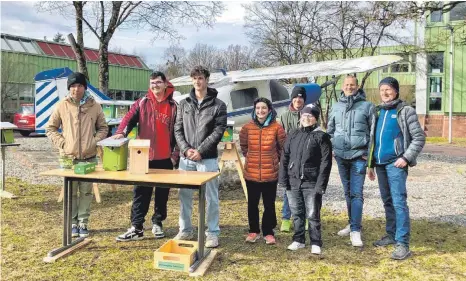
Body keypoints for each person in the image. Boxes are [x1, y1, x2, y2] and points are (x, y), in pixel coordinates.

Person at [114, 71, 179, 241]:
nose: (155, 86)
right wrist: (121, 132)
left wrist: (175, 155)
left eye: (158, 82)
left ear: (165, 84)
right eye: (152, 83)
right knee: (140, 193)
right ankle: (137, 227)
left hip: (165, 157)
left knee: (162, 195)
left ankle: (157, 223)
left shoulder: (173, 106)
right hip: (143, 157)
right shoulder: (142, 102)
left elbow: (179, 132)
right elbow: (129, 118)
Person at [367, 77, 425, 260]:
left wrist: (406, 157)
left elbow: (419, 137)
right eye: (382, 89)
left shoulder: (405, 111)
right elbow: (373, 140)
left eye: (388, 89)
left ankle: (403, 244)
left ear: (396, 91)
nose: (384, 93)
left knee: (399, 202)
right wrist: (370, 164)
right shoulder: (377, 111)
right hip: (380, 165)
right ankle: (391, 235)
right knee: (387, 201)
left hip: (396, 165)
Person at [46, 72, 108, 238]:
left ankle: (83, 222)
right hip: (69, 158)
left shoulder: (94, 106)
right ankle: (73, 223)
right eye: (73, 86)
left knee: (86, 192)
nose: (76, 89)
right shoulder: (62, 106)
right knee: (70, 192)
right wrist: (63, 143)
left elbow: (103, 127)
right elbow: (50, 128)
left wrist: (94, 141)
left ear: (85, 87)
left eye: (79, 85)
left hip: (88, 157)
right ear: (69, 88)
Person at [174, 66, 227, 248]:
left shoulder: (218, 105)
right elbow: (177, 129)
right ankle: (186, 229)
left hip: (208, 159)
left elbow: (218, 131)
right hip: (186, 158)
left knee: (211, 198)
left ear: (207, 80)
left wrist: (201, 151)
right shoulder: (183, 103)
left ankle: (212, 232)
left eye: (201, 78)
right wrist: (186, 149)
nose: (198, 81)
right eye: (195, 78)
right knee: (184, 196)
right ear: (191, 80)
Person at [327, 75, 376, 247]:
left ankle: (356, 230)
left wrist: (370, 159)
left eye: (352, 85)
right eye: (347, 85)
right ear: (342, 87)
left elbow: (372, 134)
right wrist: (333, 147)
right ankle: (351, 223)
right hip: (341, 156)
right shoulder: (336, 106)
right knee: (347, 192)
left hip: (359, 157)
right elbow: (330, 130)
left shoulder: (367, 106)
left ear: (357, 86)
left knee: (356, 193)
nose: (349, 87)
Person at [278, 105, 332, 255]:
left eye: (310, 116)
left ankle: (315, 241)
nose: (306, 119)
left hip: (311, 182)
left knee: (313, 214)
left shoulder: (321, 137)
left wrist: (321, 185)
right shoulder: (293, 134)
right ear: (300, 118)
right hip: (293, 181)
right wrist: (283, 179)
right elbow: (285, 157)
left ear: (315, 118)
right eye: (304, 116)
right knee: (296, 212)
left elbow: (325, 162)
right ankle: (298, 240)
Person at [239, 97, 286, 245]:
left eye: (264, 108)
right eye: (258, 108)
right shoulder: (247, 128)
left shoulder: (277, 128)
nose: (261, 111)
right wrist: (252, 158)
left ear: (269, 110)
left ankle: (268, 231)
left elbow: (282, 148)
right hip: (251, 173)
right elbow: (244, 147)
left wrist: (273, 160)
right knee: (252, 204)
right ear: (254, 110)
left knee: (269, 204)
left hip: (270, 174)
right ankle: (253, 231)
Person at [279, 86, 306, 232]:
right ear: (292, 99)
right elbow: (282, 139)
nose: (298, 100)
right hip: (290, 159)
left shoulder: (309, 114)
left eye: (301, 97)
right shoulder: (284, 116)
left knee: (306, 190)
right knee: (288, 190)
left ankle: (305, 218)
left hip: (306, 160)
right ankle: (285, 218)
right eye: (296, 97)